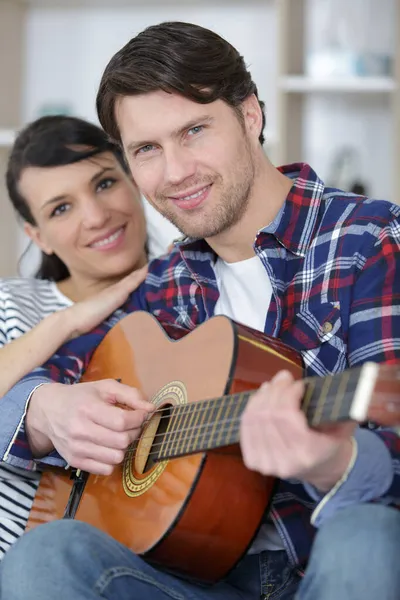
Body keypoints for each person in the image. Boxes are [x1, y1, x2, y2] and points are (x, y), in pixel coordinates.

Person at [0, 21, 400, 600]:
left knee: (368, 538)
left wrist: (332, 460)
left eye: (193, 131)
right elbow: (16, 397)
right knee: (47, 553)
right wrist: (47, 410)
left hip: (327, 565)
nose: (175, 172)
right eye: (147, 150)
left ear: (250, 116)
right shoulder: (163, 284)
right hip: (197, 580)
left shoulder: (370, 239)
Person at [0, 114, 149, 558]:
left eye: (104, 183)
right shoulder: (11, 305)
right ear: (37, 236)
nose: (97, 217)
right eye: (60, 209)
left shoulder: (189, 293)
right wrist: (66, 321)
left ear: (134, 177)